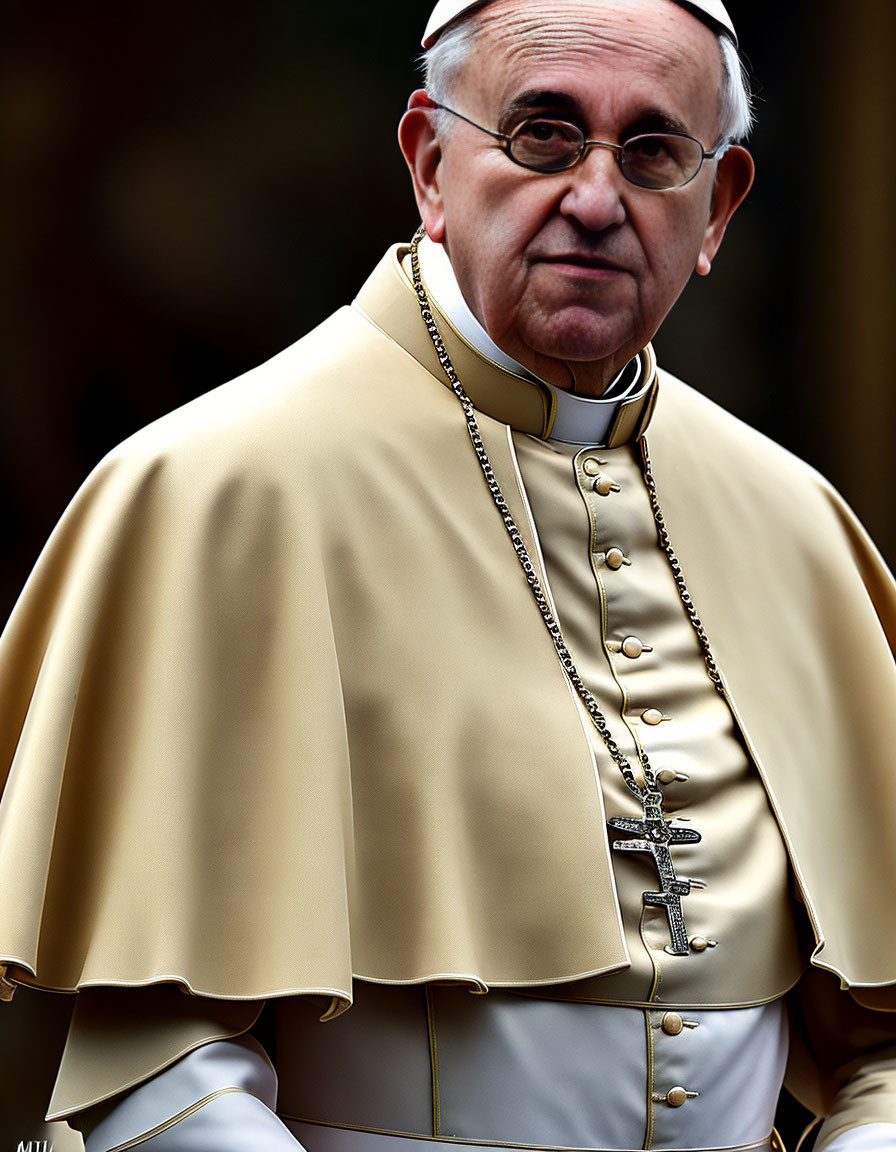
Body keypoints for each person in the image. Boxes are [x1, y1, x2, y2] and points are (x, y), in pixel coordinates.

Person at [1, 1, 896, 1150]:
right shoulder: (219, 492)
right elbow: (159, 1068)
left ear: (716, 206)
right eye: (540, 134)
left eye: (654, 151)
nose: (593, 198)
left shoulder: (795, 524)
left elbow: (880, 1043)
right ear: (428, 162)